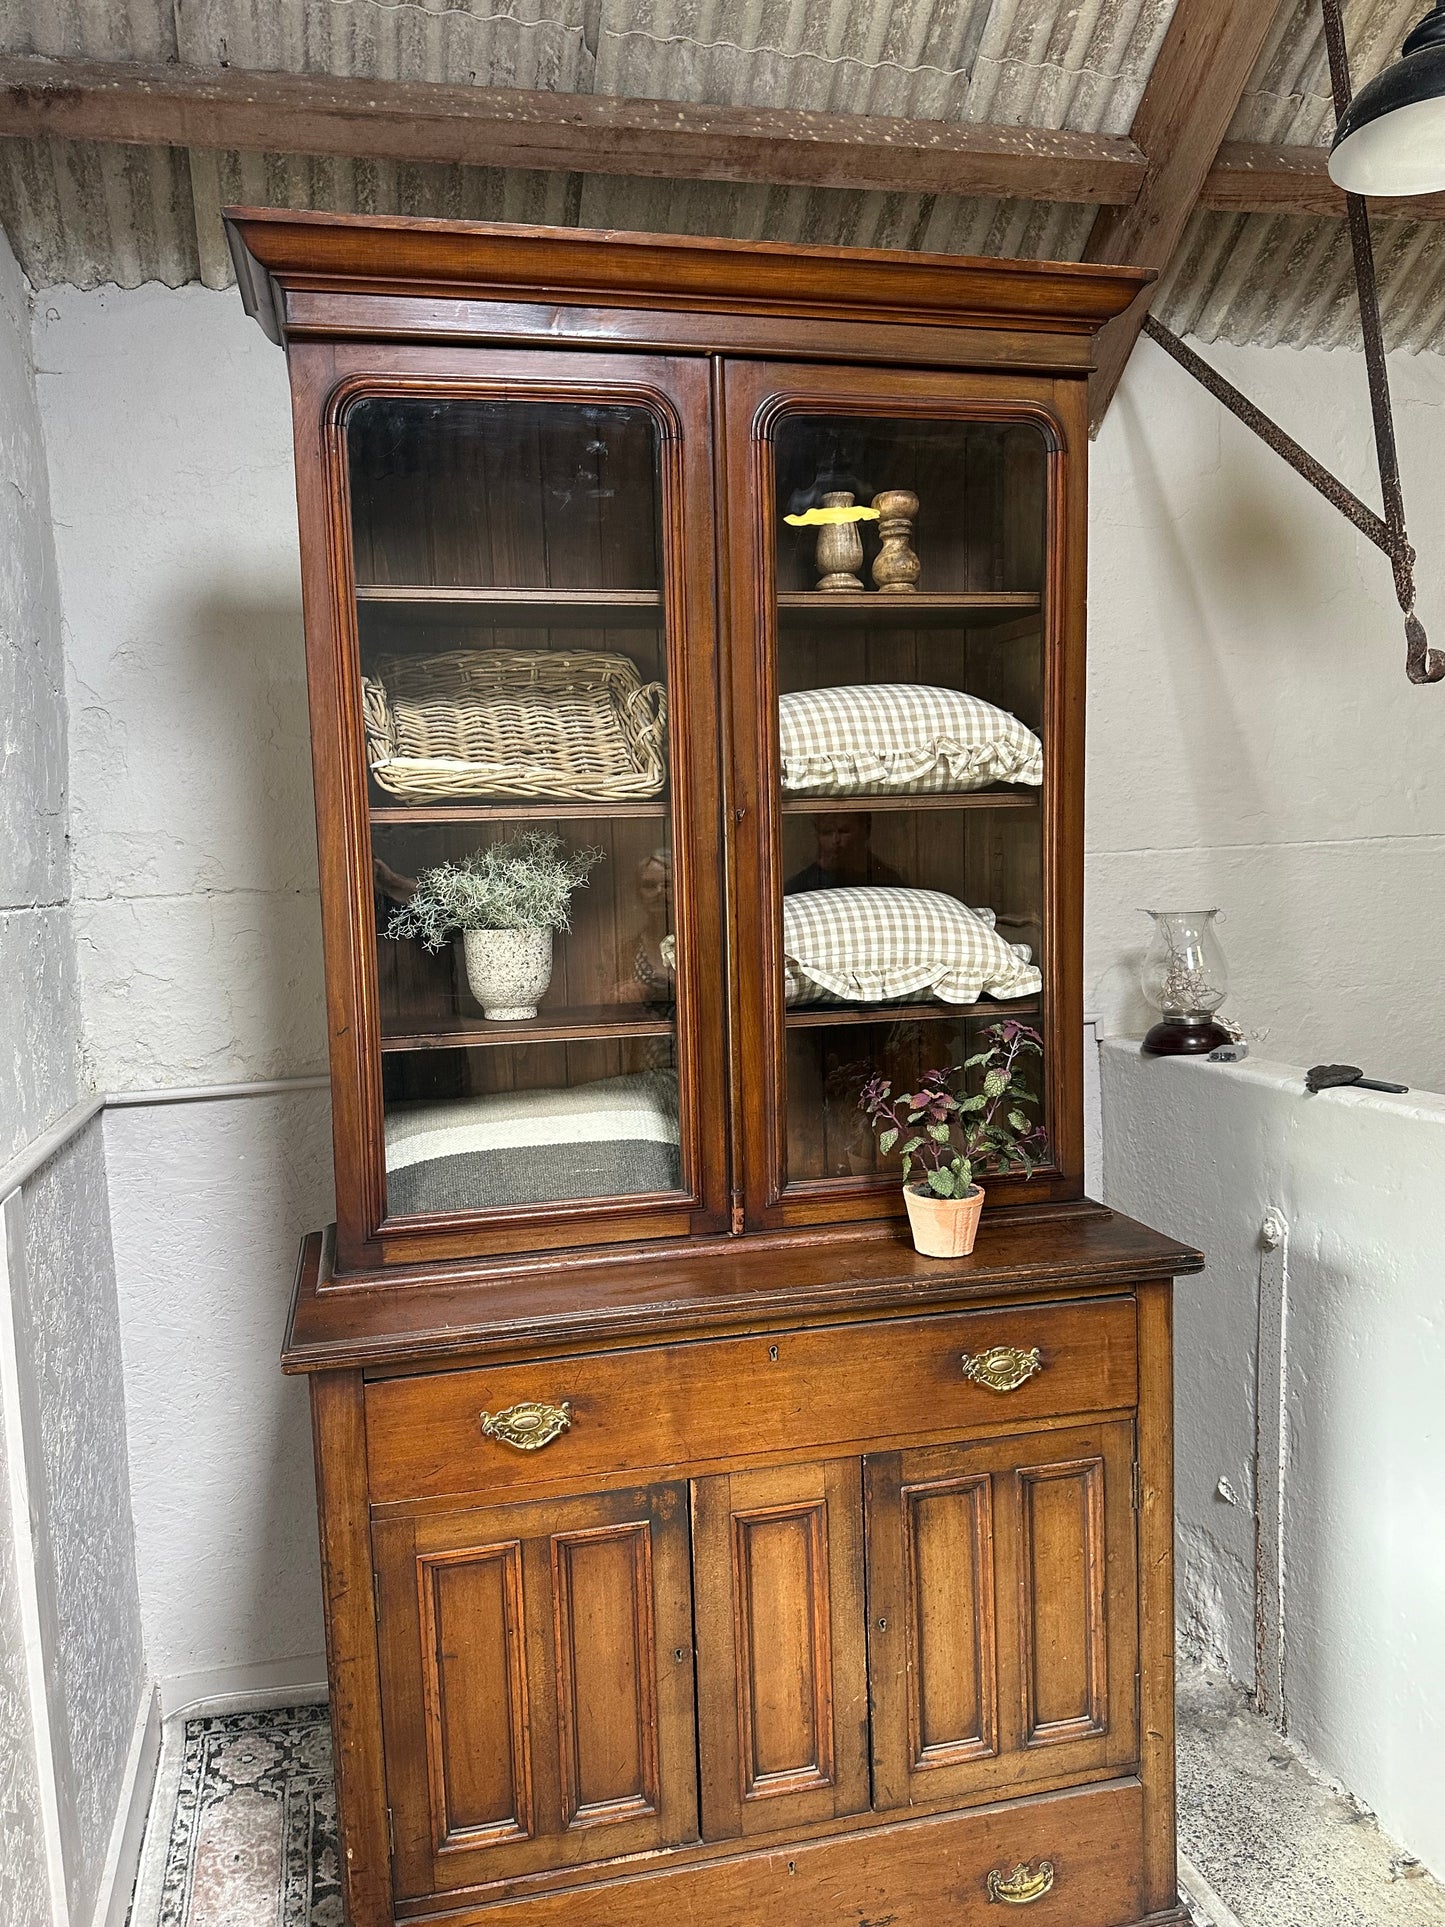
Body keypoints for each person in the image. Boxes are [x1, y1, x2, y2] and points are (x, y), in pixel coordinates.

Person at [784, 811, 904, 895]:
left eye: (844, 831)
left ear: (865, 831)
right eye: (827, 832)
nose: (835, 840)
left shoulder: (887, 880)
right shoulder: (800, 885)